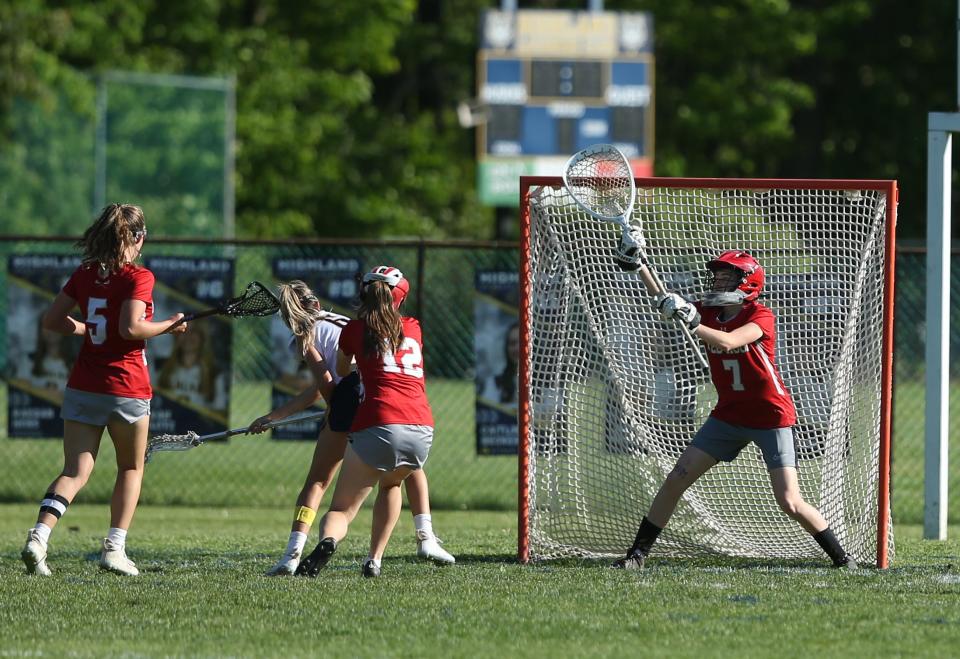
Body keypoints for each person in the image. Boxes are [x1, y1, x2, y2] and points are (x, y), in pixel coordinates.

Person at [610, 235, 857, 570]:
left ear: (748, 282)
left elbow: (728, 342)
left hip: (770, 415)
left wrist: (692, 320)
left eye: (728, 276)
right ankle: (636, 556)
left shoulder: (760, 315)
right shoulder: (708, 310)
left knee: (789, 501)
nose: (719, 280)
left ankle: (842, 559)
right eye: (718, 275)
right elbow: (666, 300)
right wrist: (640, 266)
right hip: (728, 414)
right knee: (676, 480)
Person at [20, 203, 188, 577]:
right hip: (126, 387)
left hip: (84, 385)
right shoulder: (138, 276)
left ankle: (39, 537)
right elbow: (131, 329)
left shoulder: (84, 274)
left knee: (75, 470)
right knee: (130, 467)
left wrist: (85, 329)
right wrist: (170, 325)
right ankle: (114, 549)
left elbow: (52, 320)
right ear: (138, 239)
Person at [249, 276, 453, 576]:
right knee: (405, 468)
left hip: (354, 397)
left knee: (318, 482)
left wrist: (317, 414)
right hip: (395, 405)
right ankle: (423, 534)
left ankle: (292, 555)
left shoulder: (307, 336)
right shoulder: (348, 321)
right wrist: (276, 416)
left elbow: (326, 387)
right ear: (316, 304)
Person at [295, 266, 439, 578]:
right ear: (399, 300)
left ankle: (329, 540)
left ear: (364, 293)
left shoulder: (355, 330)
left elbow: (345, 370)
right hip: (421, 427)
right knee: (392, 484)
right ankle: (376, 559)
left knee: (341, 510)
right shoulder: (413, 327)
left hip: (377, 424)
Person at [157, 323, 224, 411]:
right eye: (183, 331)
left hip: (199, 424)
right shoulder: (160, 368)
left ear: (202, 337)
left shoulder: (215, 373)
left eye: (193, 331)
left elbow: (220, 409)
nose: (187, 336)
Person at [480, 321, 519, 407]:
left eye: (522, 342)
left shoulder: (544, 384)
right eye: (512, 343)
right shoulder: (495, 383)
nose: (517, 348)